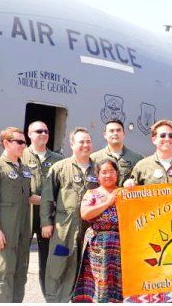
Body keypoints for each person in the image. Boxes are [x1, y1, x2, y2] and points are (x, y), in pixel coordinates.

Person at [40, 127, 99, 302]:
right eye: (81, 142)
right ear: (72, 144)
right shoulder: (59, 168)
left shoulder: (98, 169)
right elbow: (47, 197)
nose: (85, 145)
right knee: (59, 263)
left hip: (90, 228)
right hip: (63, 229)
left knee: (87, 265)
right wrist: (46, 222)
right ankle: (55, 300)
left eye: (88, 141)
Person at [0, 127, 35, 302]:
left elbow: (30, 196)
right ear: (6, 143)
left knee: (20, 274)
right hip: (5, 231)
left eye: (24, 142)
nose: (23, 146)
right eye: (19, 142)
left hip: (23, 231)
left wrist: (56, 201)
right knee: (3, 274)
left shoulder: (25, 168)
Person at [21, 121, 63, 295]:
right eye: (39, 131)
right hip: (25, 214)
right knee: (20, 259)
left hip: (49, 216)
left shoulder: (58, 160)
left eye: (46, 131)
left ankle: (50, 297)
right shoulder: (21, 155)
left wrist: (46, 202)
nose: (44, 134)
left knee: (47, 260)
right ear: (29, 134)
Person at [72, 159, 123, 302]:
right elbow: (85, 214)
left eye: (112, 171)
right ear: (98, 175)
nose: (108, 175)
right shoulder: (92, 193)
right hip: (98, 245)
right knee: (100, 281)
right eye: (104, 172)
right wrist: (108, 202)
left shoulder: (124, 193)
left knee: (120, 281)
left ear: (117, 174)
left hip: (121, 244)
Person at [124, 119, 172, 186]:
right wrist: (129, 185)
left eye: (171, 135)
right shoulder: (142, 166)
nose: (167, 138)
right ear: (154, 140)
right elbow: (131, 195)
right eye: (162, 135)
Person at [90, 119, 143, 187]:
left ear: (124, 134)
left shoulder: (137, 158)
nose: (115, 133)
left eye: (118, 130)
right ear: (105, 135)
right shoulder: (94, 158)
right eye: (111, 131)